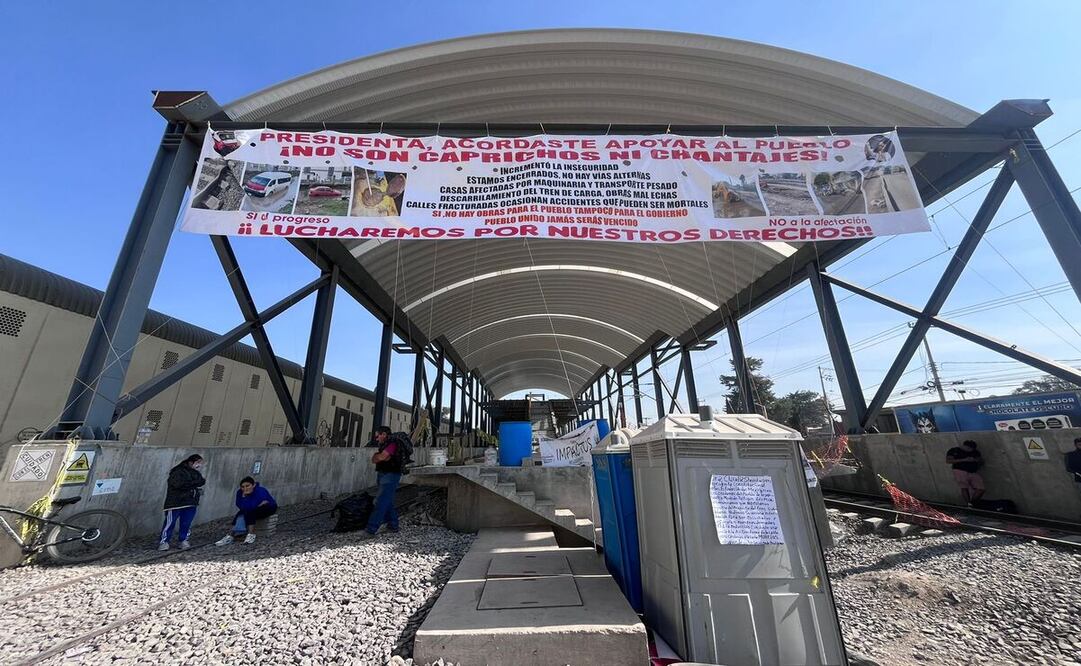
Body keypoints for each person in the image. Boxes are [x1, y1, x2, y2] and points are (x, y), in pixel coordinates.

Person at [160, 454, 206, 551]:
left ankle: (183, 539)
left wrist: (193, 484)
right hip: (175, 503)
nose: (199, 465)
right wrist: (193, 484)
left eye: (200, 463)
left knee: (186, 523)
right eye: (197, 463)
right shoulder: (177, 471)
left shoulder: (195, 473)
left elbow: (201, 481)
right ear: (191, 462)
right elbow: (179, 484)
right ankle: (164, 541)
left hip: (191, 501)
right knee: (170, 523)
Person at [363, 426, 402, 537]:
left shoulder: (392, 444)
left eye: (377, 435)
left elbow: (380, 457)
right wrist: (378, 457)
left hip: (390, 475)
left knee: (380, 501)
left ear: (384, 434)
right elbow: (380, 458)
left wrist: (376, 457)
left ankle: (371, 528)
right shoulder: (386, 444)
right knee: (386, 501)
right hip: (385, 474)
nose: (376, 438)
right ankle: (393, 525)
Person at [216, 477, 277, 545]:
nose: (245, 488)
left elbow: (258, 504)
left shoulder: (260, 491)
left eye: (247, 486)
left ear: (253, 485)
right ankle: (230, 536)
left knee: (250, 511)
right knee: (242, 512)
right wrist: (244, 497)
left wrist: (247, 500)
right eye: (243, 487)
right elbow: (240, 505)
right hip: (252, 510)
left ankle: (250, 534)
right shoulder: (240, 493)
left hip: (268, 508)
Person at [946, 440, 985, 506]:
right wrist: (964, 459)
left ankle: (972, 502)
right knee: (964, 487)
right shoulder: (954, 450)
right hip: (959, 470)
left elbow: (981, 461)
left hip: (973, 471)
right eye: (968, 449)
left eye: (971, 449)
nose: (969, 450)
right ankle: (968, 503)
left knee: (981, 488)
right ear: (964, 446)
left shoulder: (975, 452)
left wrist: (976, 460)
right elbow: (948, 460)